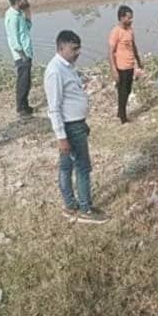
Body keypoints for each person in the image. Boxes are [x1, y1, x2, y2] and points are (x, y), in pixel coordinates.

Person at [45, 30, 109, 224]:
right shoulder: (55, 71)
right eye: (74, 49)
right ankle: (85, 209)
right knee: (82, 168)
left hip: (75, 124)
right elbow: (54, 108)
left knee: (67, 166)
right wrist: (61, 137)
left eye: (78, 48)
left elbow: (72, 97)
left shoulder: (67, 67)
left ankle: (70, 205)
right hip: (70, 127)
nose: (78, 52)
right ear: (61, 48)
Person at [108, 5, 144, 124]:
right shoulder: (116, 32)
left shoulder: (130, 30)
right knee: (122, 92)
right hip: (121, 67)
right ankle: (123, 118)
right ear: (121, 18)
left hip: (130, 65)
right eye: (129, 18)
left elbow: (133, 46)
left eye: (131, 18)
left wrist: (138, 60)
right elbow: (110, 52)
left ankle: (120, 111)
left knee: (128, 90)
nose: (131, 20)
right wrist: (113, 70)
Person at [5, 0, 34, 118]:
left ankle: (25, 106)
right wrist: (23, 56)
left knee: (26, 81)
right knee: (23, 82)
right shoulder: (12, 17)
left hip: (26, 52)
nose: (26, 1)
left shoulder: (19, 14)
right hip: (22, 55)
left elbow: (27, 29)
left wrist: (28, 14)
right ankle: (21, 109)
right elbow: (14, 40)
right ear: (17, 1)